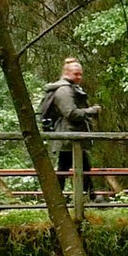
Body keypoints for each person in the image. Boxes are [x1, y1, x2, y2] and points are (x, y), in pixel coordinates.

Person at [44, 58, 102, 200]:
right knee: (77, 167)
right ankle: (91, 197)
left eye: (80, 74)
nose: (79, 77)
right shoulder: (64, 90)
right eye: (76, 74)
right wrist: (91, 111)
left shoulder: (70, 88)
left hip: (70, 135)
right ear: (67, 73)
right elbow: (70, 113)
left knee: (69, 167)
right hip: (68, 136)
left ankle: (60, 197)